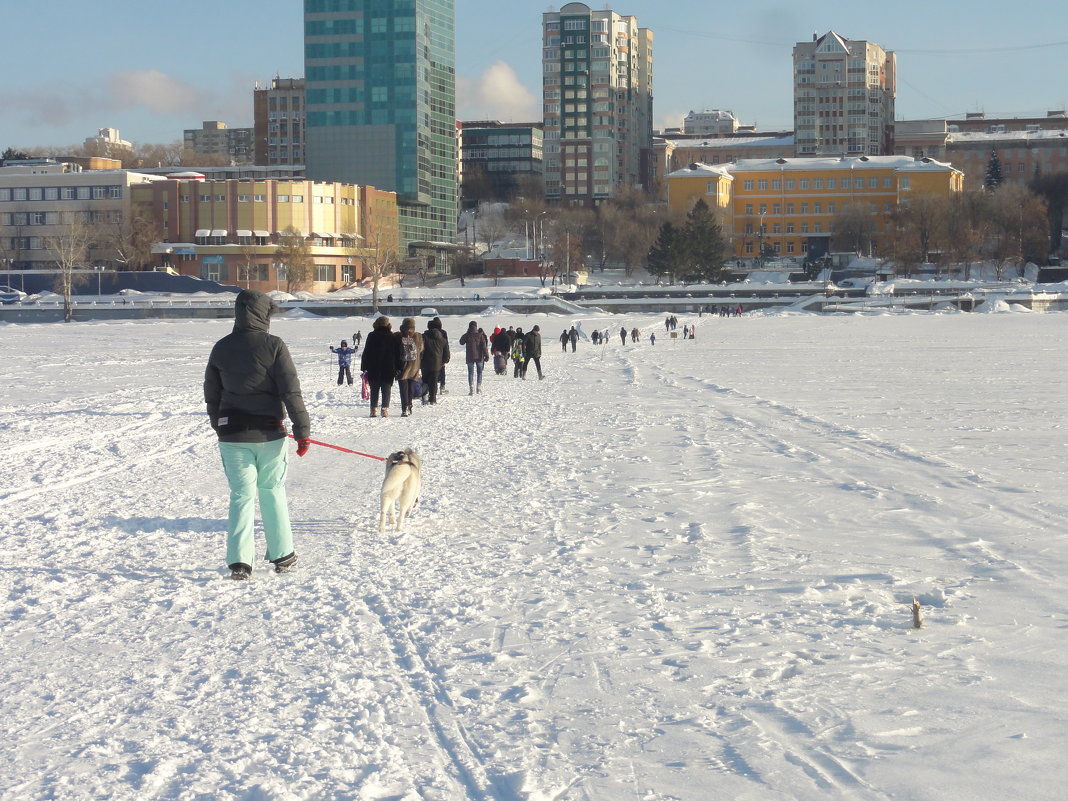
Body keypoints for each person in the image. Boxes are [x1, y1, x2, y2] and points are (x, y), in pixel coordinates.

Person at [204, 289, 310, 581]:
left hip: (232, 435)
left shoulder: (221, 347)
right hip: (270, 435)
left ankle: (240, 562)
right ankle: (283, 555)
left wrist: (220, 425)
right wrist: (303, 431)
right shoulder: (274, 345)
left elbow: (211, 395)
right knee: (272, 492)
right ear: (264, 315)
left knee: (241, 496)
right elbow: (291, 390)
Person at [360, 316, 401, 417]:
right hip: (389, 367)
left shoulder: (371, 335)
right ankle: (384, 410)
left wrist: (364, 367)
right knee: (386, 389)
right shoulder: (392, 337)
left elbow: (366, 352)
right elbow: (397, 354)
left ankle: (373, 410)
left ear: (376, 324)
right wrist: (398, 368)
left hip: (373, 366)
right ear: (388, 325)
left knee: (374, 389)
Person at [395, 317, 423, 417]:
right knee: (410, 388)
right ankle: (410, 406)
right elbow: (421, 349)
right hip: (414, 366)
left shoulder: (398, 335)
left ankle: (405, 408)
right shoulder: (418, 336)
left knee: (403, 389)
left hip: (402, 366)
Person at [421, 316, 450, 405]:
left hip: (425, 363)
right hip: (437, 364)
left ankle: (424, 395)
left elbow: (420, 350)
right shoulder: (443, 339)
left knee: (425, 380)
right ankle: (432, 399)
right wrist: (444, 361)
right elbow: (446, 354)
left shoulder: (423, 337)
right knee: (433, 382)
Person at [459, 320, 489, 394]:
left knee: (470, 373)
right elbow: (484, 347)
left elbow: (461, 342)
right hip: (479, 357)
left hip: (469, 357)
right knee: (479, 372)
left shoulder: (467, 335)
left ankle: (471, 388)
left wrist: (467, 333)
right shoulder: (480, 335)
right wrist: (486, 355)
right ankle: (478, 388)